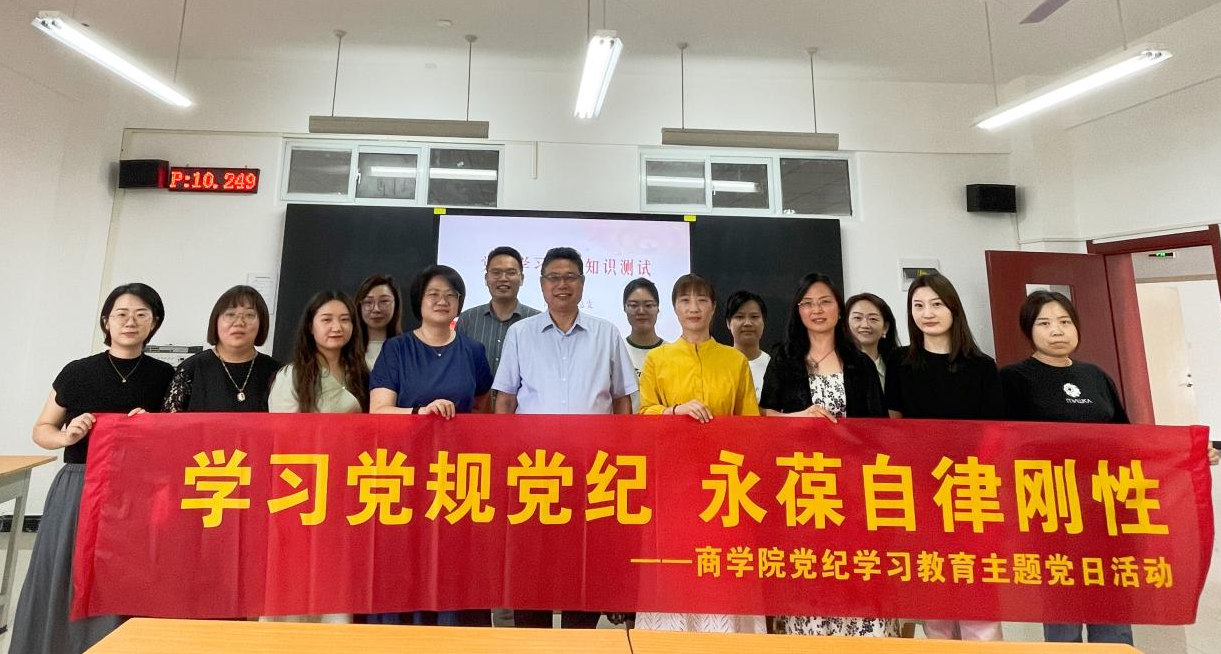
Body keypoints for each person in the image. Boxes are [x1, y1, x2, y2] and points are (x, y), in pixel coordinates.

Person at [12, 283, 174, 654]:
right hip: (80, 486)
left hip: (139, 490)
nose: (130, 322)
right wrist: (66, 435)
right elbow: (42, 429)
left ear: (154, 323)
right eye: (121, 314)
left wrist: (155, 426)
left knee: (130, 574)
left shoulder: (166, 376)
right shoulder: (78, 372)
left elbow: (177, 436)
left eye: (141, 315)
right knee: (70, 570)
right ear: (106, 321)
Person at [493, 246, 636, 629]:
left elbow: (621, 399)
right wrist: (505, 458)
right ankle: (531, 640)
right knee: (532, 561)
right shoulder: (521, 333)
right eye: (554, 278)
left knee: (584, 560)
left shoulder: (606, 333)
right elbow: (505, 400)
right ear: (541, 285)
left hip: (591, 470)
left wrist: (620, 455)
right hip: (534, 471)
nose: (562, 285)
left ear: (582, 284)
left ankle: (580, 638)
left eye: (570, 277)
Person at [758, 274, 895, 637]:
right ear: (798, 311)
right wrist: (799, 418)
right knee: (810, 574)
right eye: (807, 303)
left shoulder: (860, 364)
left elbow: (879, 429)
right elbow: (765, 417)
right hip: (802, 489)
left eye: (825, 302)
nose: (816, 310)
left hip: (854, 491)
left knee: (858, 573)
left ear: (839, 308)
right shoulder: (784, 359)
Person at [635, 274, 764, 634]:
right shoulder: (657, 360)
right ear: (674, 309)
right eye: (685, 300)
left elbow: (750, 424)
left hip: (725, 485)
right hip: (673, 485)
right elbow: (643, 415)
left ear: (713, 308)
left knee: (721, 571)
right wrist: (674, 411)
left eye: (701, 300)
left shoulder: (734, 361)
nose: (693, 308)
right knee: (675, 569)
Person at [369, 265, 493, 627]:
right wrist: (419, 413)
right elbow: (379, 411)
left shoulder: (473, 350)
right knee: (406, 560)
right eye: (433, 294)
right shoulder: (397, 349)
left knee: (454, 563)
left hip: (458, 477)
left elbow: (481, 407)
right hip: (405, 473)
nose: (442, 301)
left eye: (450, 295)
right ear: (418, 301)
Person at [885, 273, 1002, 642]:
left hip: (971, 488)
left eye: (936, 304)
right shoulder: (900, 362)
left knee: (976, 587)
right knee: (934, 587)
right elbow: (894, 426)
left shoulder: (982, 366)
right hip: (920, 488)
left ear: (953, 309)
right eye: (918, 306)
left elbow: (993, 433)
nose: (927, 313)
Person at [264, 291, 368, 624]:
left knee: (336, 576)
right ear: (310, 326)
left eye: (345, 319)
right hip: (302, 490)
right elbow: (284, 441)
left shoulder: (361, 373)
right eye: (327, 319)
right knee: (296, 575)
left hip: (347, 489)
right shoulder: (292, 375)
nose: (336, 327)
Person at [163, 285, 280, 412]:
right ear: (216, 321)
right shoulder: (191, 369)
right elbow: (169, 422)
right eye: (230, 314)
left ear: (262, 323)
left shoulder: (277, 373)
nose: (239, 322)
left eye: (249, 315)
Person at [456, 246, 540, 378]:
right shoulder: (468, 319)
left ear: (522, 278)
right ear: (486, 278)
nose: (503, 278)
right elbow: (457, 364)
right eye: (496, 272)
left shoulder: (537, 321)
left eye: (511, 273)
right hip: (476, 392)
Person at [622, 277, 665, 411]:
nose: (641, 311)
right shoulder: (617, 351)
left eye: (648, 305)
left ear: (658, 308)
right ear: (624, 308)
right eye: (634, 305)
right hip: (624, 423)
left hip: (663, 422)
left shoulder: (671, 352)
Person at [845, 292, 899, 388]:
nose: (865, 325)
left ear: (885, 328)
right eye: (857, 318)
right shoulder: (836, 366)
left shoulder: (898, 367)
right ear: (845, 325)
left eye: (873, 319)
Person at [724, 290, 769, 402]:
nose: (748, 323)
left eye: (754, 317)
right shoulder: (717, 365)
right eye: (740, 317)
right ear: (728, 323)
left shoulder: (773, 366)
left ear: (764, 322)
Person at [355, 274, 403, 370]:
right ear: (359, 306)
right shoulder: (348, 349)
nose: (376, 309)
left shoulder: (407, 348)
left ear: (396, 304)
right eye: (368, 302)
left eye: (384, 301)